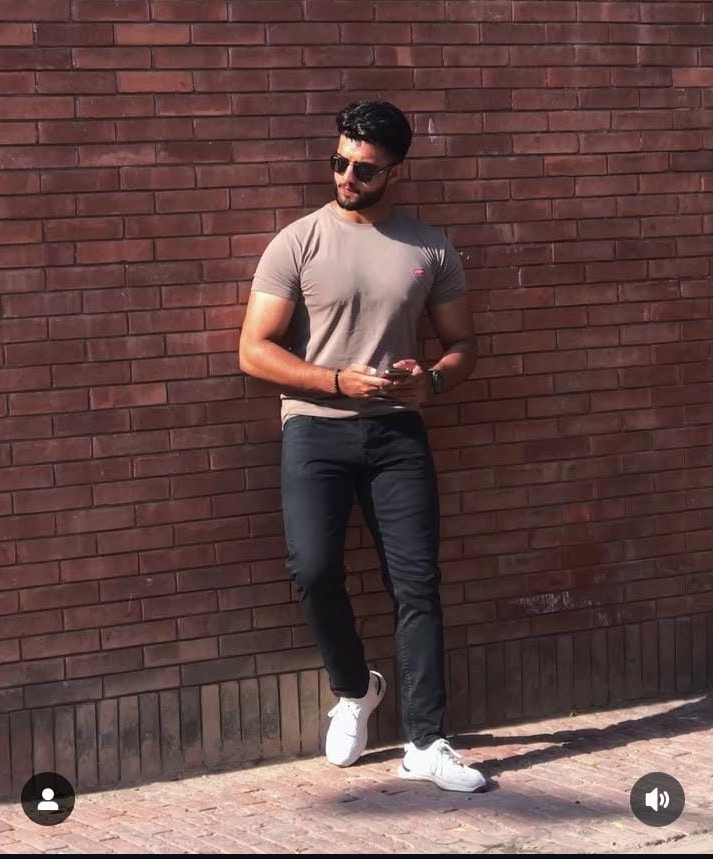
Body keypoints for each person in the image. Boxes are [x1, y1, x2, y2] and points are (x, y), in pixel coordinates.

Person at [239, 101, 485, 792]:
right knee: (314, 570)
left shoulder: (429, 247)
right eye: (340, 162)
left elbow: (463, 345)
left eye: (364, 169)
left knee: (417, 584)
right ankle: (355, 690)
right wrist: (335, 380)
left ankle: (426, 741)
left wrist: (432, 379)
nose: (347, 176)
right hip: (314, 427)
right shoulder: (298, 242)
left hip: (397, 433)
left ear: (395, 172)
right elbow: (253, 350)